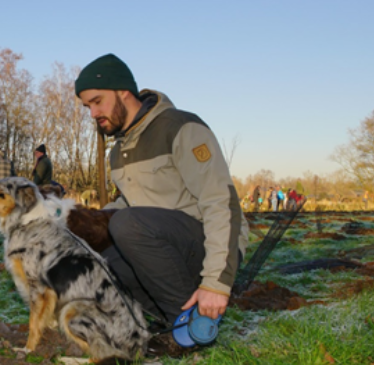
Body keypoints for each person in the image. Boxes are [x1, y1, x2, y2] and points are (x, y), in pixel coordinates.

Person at [74, 54, 249, 332]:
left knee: (127, 224)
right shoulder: (118, 151)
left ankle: (193, 328)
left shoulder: (180, 127)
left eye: (97, 102)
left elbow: (221, 203)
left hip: (208, 248)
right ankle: (167, 320)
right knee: (100, 256)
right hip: (162, 250)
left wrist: (216, 282)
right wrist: (83, 222)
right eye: (87, 107)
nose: (93, 114)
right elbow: (134, 202)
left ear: (123, 92)